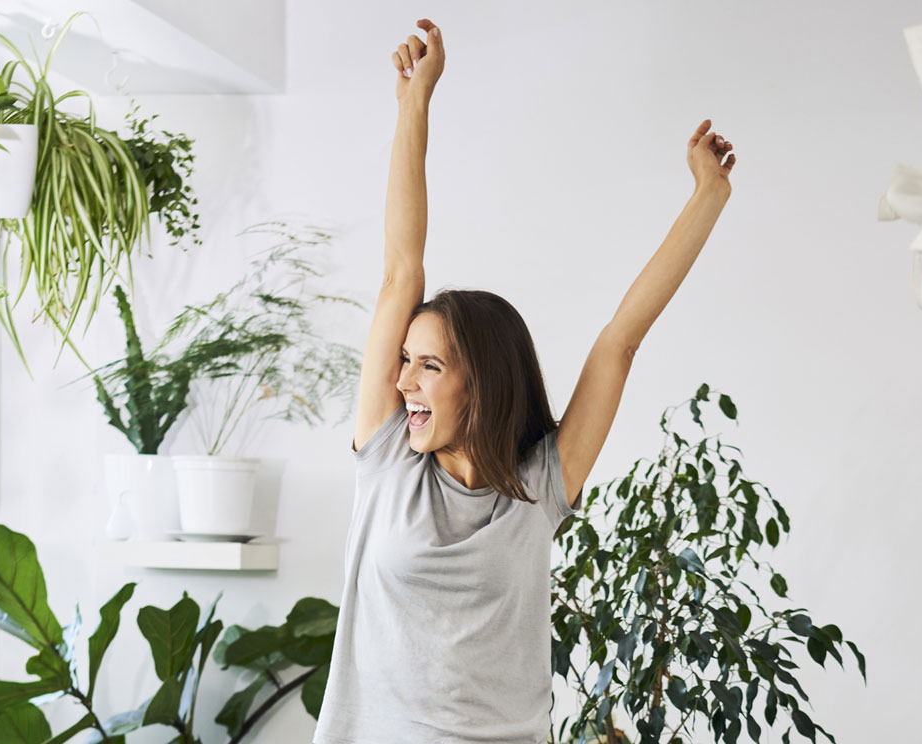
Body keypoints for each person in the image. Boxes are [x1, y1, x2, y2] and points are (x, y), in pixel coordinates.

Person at [311, 18, 736, 744]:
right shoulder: (385, 459)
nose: (401, 379)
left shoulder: (539, 490)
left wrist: (708, 197)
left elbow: (619, 343)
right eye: (405, 358)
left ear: (479, 386)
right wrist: (414, 103)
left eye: (429, 365)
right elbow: (400, 271)